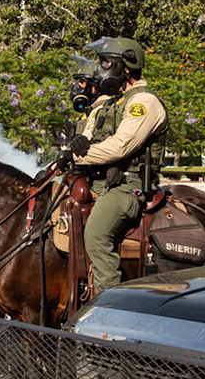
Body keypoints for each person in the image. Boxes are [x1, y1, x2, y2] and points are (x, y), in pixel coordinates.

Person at [63, 36, 167, 298]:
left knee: (97, 235)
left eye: (107, 62)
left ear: (127, 67)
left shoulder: (144, 102)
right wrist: (73, 148)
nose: (100, 70)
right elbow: (91, 139)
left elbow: (121, 146)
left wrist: (77, 157)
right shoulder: (112, 103)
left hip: (128, 186)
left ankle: (109, 309)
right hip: (102, 181)